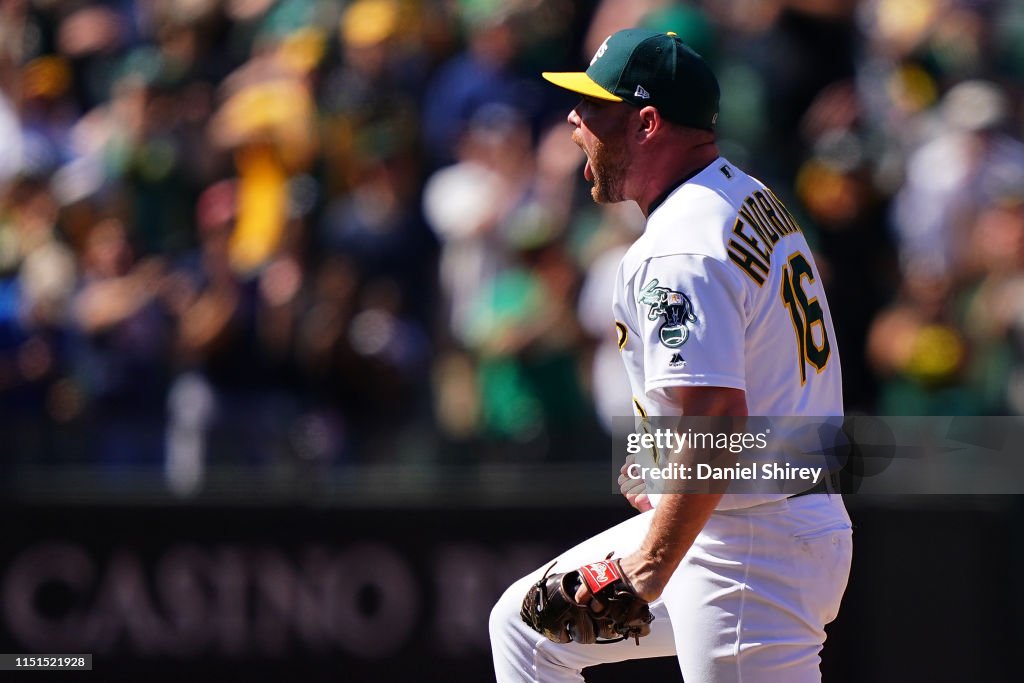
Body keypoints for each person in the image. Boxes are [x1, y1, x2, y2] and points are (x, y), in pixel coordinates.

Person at [489, 29, 852, 682]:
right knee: (526, 626)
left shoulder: (678, 246)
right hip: (757, 517)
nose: (575, 119)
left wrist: (649, 566)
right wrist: (661, 453)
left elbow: (715, 416)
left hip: (749, 546)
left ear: (647, 123)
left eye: (596, 106)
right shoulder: (745, 195)